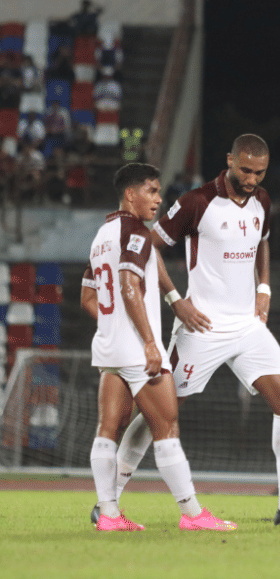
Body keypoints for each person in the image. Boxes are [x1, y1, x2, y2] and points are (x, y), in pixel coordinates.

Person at [111, 134, 280, 526]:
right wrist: (176, 299)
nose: (251, 178)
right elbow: (149, 244)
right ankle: (108, 500)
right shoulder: (197, 202)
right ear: (229, 159)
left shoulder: (262, 200)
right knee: (160, 413)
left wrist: (265, 286)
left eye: (259, 172)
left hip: (248, 325)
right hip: (203, 326)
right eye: (245, 169)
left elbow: (262, 242)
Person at [82, 162, 236, 532]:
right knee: (167, 428)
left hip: (109, 348)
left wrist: (114, 327)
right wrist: (150, 342)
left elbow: (88, 297)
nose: (158, 198)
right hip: (138, 351)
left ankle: (109, 515)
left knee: (107, 429)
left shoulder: (102, 233)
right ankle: (193, 514)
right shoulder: (134, 230)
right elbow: (129, 283)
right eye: (151, 190)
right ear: (130, 194)